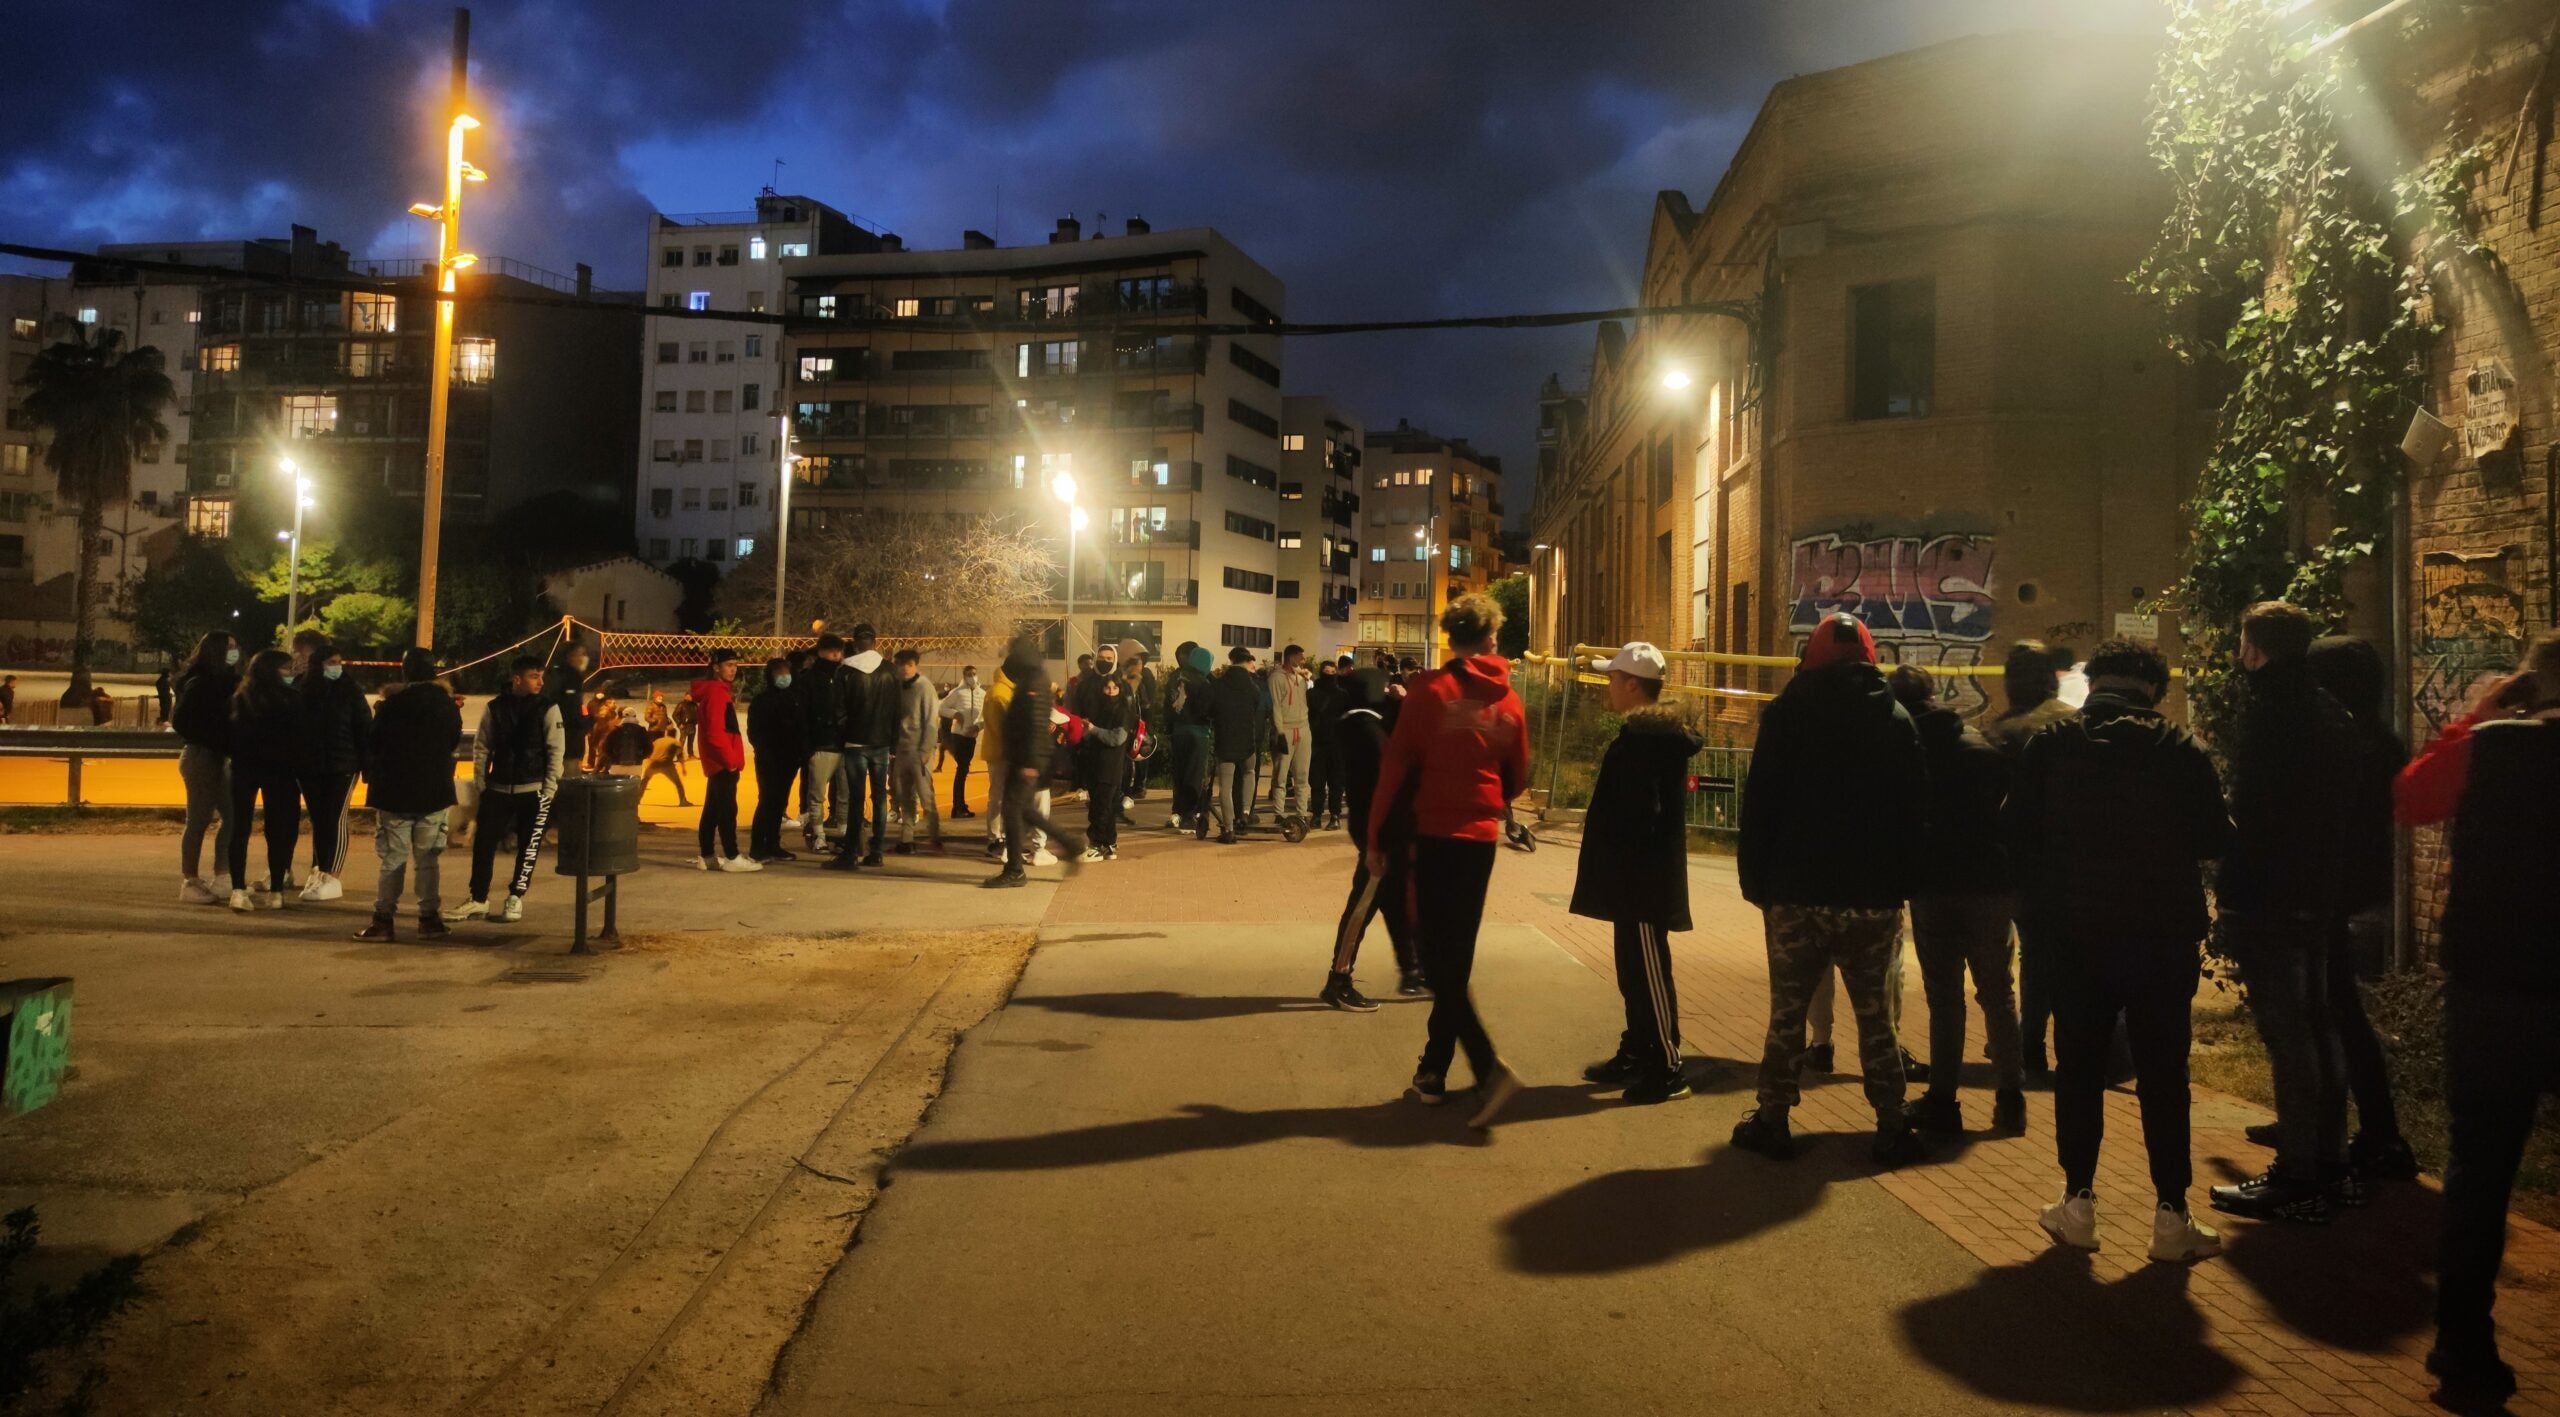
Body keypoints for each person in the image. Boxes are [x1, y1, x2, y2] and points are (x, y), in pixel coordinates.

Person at [2006, 638, 2231, 1263]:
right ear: (2154, 691)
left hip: (2073, 937)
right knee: (2165, 1073)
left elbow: (2013, 832)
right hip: (2161, 938)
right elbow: (2217, 838)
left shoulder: (2050, 748)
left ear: (2095, 683)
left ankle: (2077, 1205)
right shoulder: (2182, 751)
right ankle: (2171, 1216)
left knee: (2077, 1067)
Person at [2400, 629, 2560, 1409]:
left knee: (2481, 1169)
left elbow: (2413, 797)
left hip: (2495, 985)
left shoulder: (2493, 748)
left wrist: (2478, 711)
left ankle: (2463, 1343)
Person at [1730, 612, 1928, 1167]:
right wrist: (1902, 886)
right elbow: (1916, 815)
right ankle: (1891, 1125)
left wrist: (1757, 884)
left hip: (1797, 893)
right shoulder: (1895, 718)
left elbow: (1761, 805)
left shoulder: (1788, 715)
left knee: (1788, 1014)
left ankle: (1773, 1120)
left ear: (1811, 659)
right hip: (1872, 899)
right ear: (1869, 659)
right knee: (1877, 1019)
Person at [2208, 601, 2360, 1225]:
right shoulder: (2332, 712)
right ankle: (2327, 1152)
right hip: (2317, 892)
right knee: (2317, 1027)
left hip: (2271, 896)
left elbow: (2254, 819)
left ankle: (2297, 1172)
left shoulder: (2271, 714)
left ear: (2254, 649)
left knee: (2288, 1035)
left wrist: (2233, 890)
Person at [1367, 594, 1531, 1128]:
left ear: (1450, 638)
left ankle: (1487, 1069)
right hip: (1479, 839)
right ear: (1489, 638)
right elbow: (1519, 775)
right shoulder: (1508, 701)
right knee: (1454, 955)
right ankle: (1433, 1071)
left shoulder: (1430, 692)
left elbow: (1394, 766)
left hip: (1432, 834)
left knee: (1435, 959)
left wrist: (1373, 838)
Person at [2279, 636, 2417, 1183]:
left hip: (2330, 891)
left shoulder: (2349, 742)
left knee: (2335, 1011)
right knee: (2326, 1007)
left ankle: (2379, 1135)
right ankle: (2320, 1119)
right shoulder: (2375, 740)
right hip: (2340, 888)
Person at [1890, 663, 2027, 1136]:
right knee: (1998, 993)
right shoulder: (1981, 748)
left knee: (1944, 997)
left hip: (1936, 886)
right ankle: (2011, 1098)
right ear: (1933, 696)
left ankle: (1943, 1101)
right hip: (1991, 884)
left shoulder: (1907, 754)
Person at [1571, 642, 1702, 1104]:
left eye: (1612, 679)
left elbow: (1641, 812)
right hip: (1632, 878)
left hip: (1642, 880)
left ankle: (1667, 1067)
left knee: (1647, 971)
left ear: (1631, 684)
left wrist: (1621, 858)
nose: (1608, 687)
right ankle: (1640, 1049)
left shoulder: (1650, 739)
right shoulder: (1644, 733)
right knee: (1633, 970)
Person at [1979, 639, 2080, 1076]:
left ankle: (2029, 1040)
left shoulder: (2002, 733)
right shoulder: (2075, 723)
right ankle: (2066, 1041)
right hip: (2072, 857)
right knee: (2067, 953)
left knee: (2029, 956)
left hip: (2019, 861)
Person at [1321, 667, 1422, 1009]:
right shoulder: (1364, 730)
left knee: (1391, 901)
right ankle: (1339, 978)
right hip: (1376, 830)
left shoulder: (1358, 723)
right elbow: (1397, 762)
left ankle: (1411, 969)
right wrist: (1405, 706)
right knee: (1363, 905)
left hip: (1378, 826)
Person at [355, 647, 465, 942]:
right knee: (428, 859)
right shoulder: (446, 705)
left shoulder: (391, 704)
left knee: (393, 859)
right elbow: (453, 739)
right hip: (434, 790)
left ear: (405, 671)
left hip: (394, 791)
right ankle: (429, 919)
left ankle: (383, 921)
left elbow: (373, 742)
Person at [458, 656, 563, 923]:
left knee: (529, 847)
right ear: (517, 679)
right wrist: (482, 783)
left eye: (541, 676)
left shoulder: (548, 707)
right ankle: (478, 898)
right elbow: (482, 746)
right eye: (533, 676)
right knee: (483, 843)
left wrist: (549, 789)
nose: (540, 682)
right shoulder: (495, 707)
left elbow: (555, 750)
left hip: (534, 788)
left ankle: (516, 897)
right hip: (499, 787)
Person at [984, 636, 1084, 887]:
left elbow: (1034, 723)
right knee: (1023, 811)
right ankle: (1069, 844)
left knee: (1014, 810)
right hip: (1021, 757)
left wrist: (1029, 763)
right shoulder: (1032, 678)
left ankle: (1016, 869)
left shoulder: (1033, 682)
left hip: (1025, 760)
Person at [292, 639, 372, 903]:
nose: (336, 667)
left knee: (335, 819)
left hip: (343, 766)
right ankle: (318, 870)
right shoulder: (303, 690)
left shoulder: (350, 690)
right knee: (319, 819)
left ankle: (332, 874)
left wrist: (366, 765)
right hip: (310, 767)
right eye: (331, 663)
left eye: (339, 663)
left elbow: (364, 729)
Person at [226, 648, 303, 912]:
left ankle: (237, 890)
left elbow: (231, 734)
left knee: (239, 828)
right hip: (280, 770)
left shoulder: (240, 696)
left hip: (244, 769)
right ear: (273, 670)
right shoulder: (291, 699)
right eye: (286, 668)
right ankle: (277, 892)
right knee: (278, 830)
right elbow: (299, 738)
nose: (290, 673)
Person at [826, 624, 900, 871]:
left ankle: (851, 852)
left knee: (855, 798)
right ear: (875, 642)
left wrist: (844, 736)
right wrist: (894, 742)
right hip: (881, 743)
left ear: (855, 643)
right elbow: (897, 710)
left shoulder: (845, 672)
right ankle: (876, 851)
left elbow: (838, 710)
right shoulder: (890, 671)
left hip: (855, 743)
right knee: (879, 797)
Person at [171, 632, 238, 905]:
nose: (236, 651)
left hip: (217, 756)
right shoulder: (200, 683)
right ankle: (190, 880)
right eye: (230, 647)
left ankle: (222, 874)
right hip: (200, 756)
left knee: (232, 815)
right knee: (198, 819)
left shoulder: (226, 681)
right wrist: (215, 737)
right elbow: (182, 722)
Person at [690, 649, 759, 872]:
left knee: (712, 809)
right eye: (729, 665)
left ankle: (708, 855)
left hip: (718, 760)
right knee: (727, 810)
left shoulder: (716, 691)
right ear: (716, 667)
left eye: (735, 665)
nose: (733, 669)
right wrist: (730, 760)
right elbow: (715, 732)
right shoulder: (717, 693)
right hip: (722, 761)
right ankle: (732, 856)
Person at [796, 633, 854, 852]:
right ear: (820, 651)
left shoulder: (844, 676)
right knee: (817, 793)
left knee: (845, 793)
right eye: (832, 651)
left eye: (839, 652)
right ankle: (818, 834)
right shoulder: (809, 679)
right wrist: (808, 746)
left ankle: (843, 834)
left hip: (843, 743)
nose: (836, 656)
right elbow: (803, 715)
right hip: (821, 744)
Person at [1077, 664, 1138, 861]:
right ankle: (1109, 844)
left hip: (1110, 767)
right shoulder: (1099, 709)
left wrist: (1093, 729)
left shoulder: (1123, 711)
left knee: (1100, 808)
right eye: (1107, 688)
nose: (1110, 692)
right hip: (1097, 765)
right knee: (1107, 807)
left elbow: (1116, 738)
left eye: (1115, 688)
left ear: (1121, 690)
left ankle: (1096, 844)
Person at [1207, 647, 1266, 844]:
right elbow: (1257, 706)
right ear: (1247, 662)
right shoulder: (1253, 687)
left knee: (1226, 787)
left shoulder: (1219, 685)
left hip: (1225, 741)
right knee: (1249, 773)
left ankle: (1229, 829)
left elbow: (1211, 709)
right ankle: (1246, 812)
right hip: (1248, 740)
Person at [748, 656, 804, 862]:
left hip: (789, 759)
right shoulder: (762, 700)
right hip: (769, 760)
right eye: (778, 674)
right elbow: (755, 732)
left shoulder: (794, 698)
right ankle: (757, 847)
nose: (783, 677)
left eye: (785, 673)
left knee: (780, 802)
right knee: (767, 801)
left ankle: (773, 844)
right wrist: (765, 752)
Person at [889, 649, 943, 855]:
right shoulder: (896, 687)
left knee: (926, 796)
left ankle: (935, 837)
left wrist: (926, 750)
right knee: (904, 795)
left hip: (919, 750)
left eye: (908, 664)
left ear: (915, 665)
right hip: (901, 750)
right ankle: (907, 838)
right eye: (900, 664)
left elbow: (931, 722)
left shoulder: (924, 687)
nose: (904, 668)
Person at [1165, 643, 1216, 833]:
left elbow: (1166, 705)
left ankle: (1177, 812)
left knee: (1179, 773)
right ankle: (1189, 815)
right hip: (1198, 733)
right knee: (1194, 775)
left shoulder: (1174, 678)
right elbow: (1206, 710)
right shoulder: (1204, 683)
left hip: (1178, 732)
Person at [1263, 644, 1314, 821]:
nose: (1303, 660)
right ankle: (1279, 812)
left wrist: (1307, 678)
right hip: (1285, 728)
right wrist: (1279, 731)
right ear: (1291, 657)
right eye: (1300, 657)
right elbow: (1276, 706)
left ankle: (1302, 812)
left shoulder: (1301, 677)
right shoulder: (1276, 678)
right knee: (1281, 774)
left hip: (1303, 728)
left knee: (1302, 774)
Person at [1309, 655, 1354, 830]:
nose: (1329, 675)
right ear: (1321, 673)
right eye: (1326, 672)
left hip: (1337, 744)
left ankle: (1334, 815)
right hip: (1318, 743)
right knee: (1317, 782)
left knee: (1336, 782)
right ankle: (1317, 814)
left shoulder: (1343, 695)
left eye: (1332, 672)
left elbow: (1348, 718)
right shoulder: (1312, 694)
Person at [939, 665, 986, 819]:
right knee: (962, 769)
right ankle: (958, 806)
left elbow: (985, 716)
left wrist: (978, 726)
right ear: (964, 676)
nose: (972, 676)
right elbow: (942, 707)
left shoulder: (982, 694)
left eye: (974, 673)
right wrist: (955, 714)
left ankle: (960, 805)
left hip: (971, 736)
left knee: (964, 770)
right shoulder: (957, 693)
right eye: (968, 674)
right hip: (959, 735)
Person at [1121, 641, 1159, 803]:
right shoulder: (1120, 679)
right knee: (1124, 761)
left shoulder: (1146, 677)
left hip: (1141, 723)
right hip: (1125, 724)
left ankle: (1139, 786)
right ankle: (1124, 790)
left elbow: (1148, 701)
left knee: (1141, 755)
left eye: (1141, 661)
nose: (1139, 665)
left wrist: (1147, 724)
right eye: (1135, 661)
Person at [550, 641, 593, 778]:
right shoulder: (569, 678)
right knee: (568, 784)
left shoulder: (555, 674)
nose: (584, 658)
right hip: (567, 744)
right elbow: (570, 712)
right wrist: (588, 721)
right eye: (581, 654)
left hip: (561, 743)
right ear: (570, 656)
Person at [637, 720, 693, 806]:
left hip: (653, 763)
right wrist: (683, 769)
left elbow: (649, 752)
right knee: (678, 783)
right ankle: (683, 801)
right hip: (666, 764)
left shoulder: (658, 741)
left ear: (667, 733)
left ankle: (637, 800)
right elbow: (680, 756)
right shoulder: (675, 742)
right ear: (675, 734)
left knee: (645, 781)